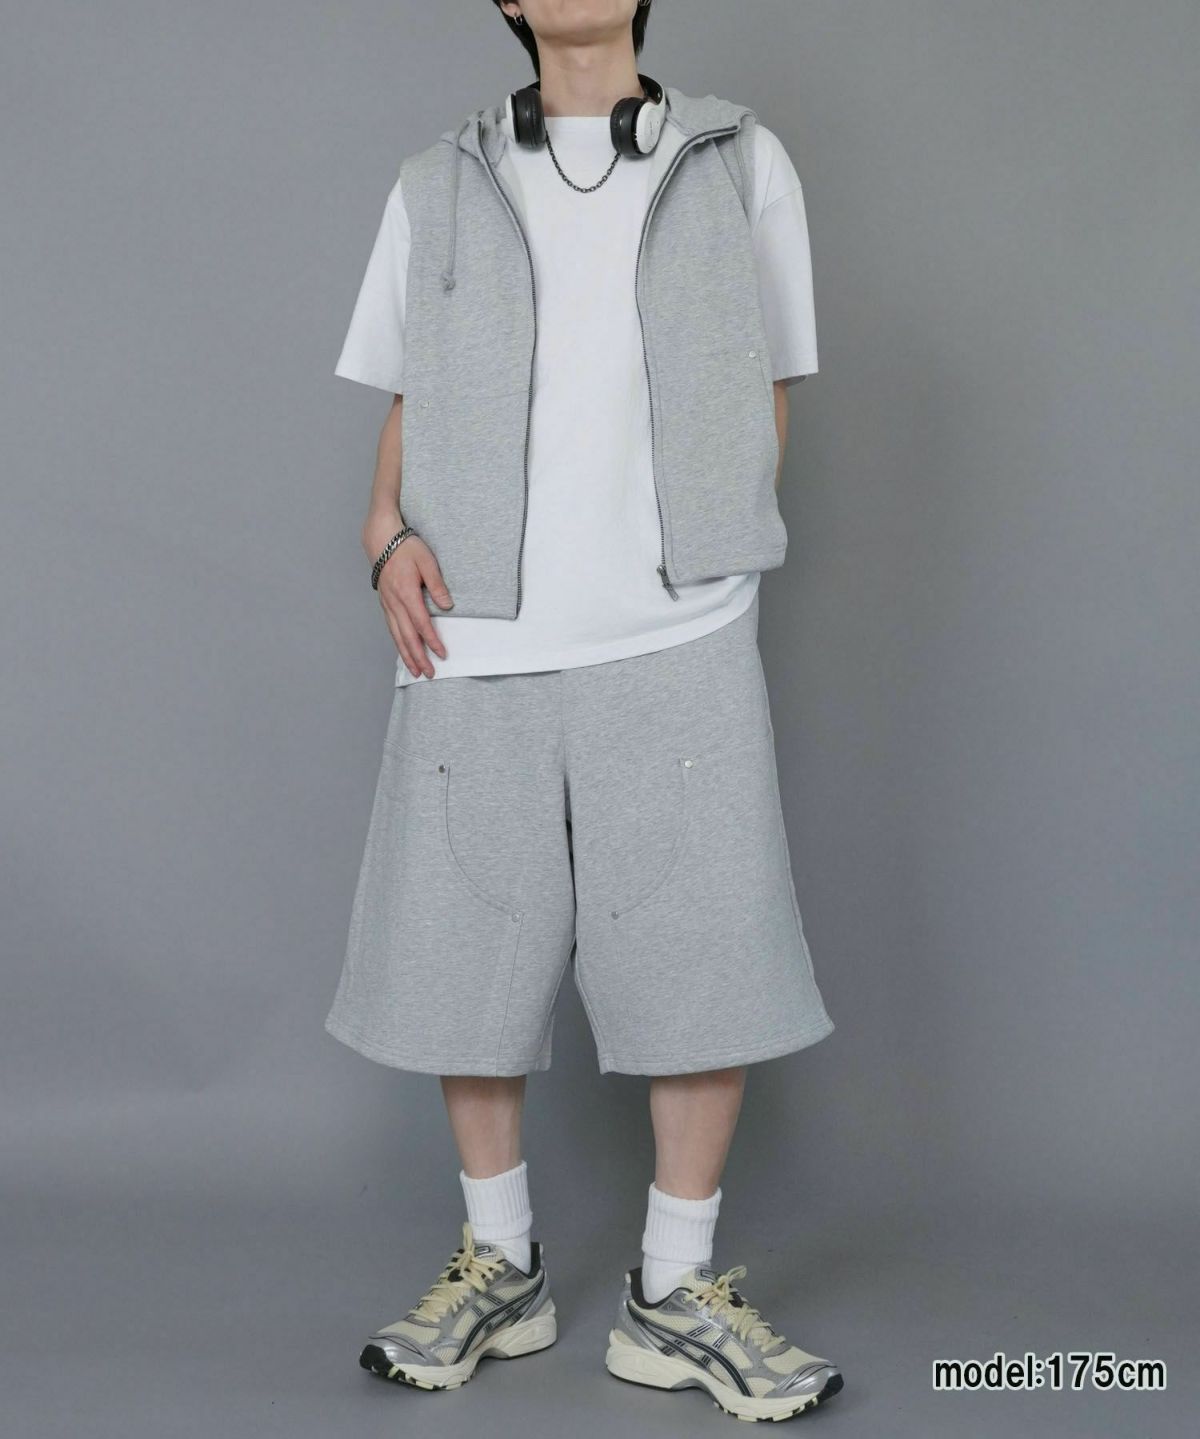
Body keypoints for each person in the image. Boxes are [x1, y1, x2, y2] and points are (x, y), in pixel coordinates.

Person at [324, 0, 842, 1420]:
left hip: (678, 630)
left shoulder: (738, 162)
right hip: (474, 626)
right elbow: (411, 391)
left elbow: (772, 377)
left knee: (703, 956)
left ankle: (677, 1292)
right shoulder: (437, 182)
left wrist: (710, 549)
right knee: (463, 960)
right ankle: (500, 1267)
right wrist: (382, 529)